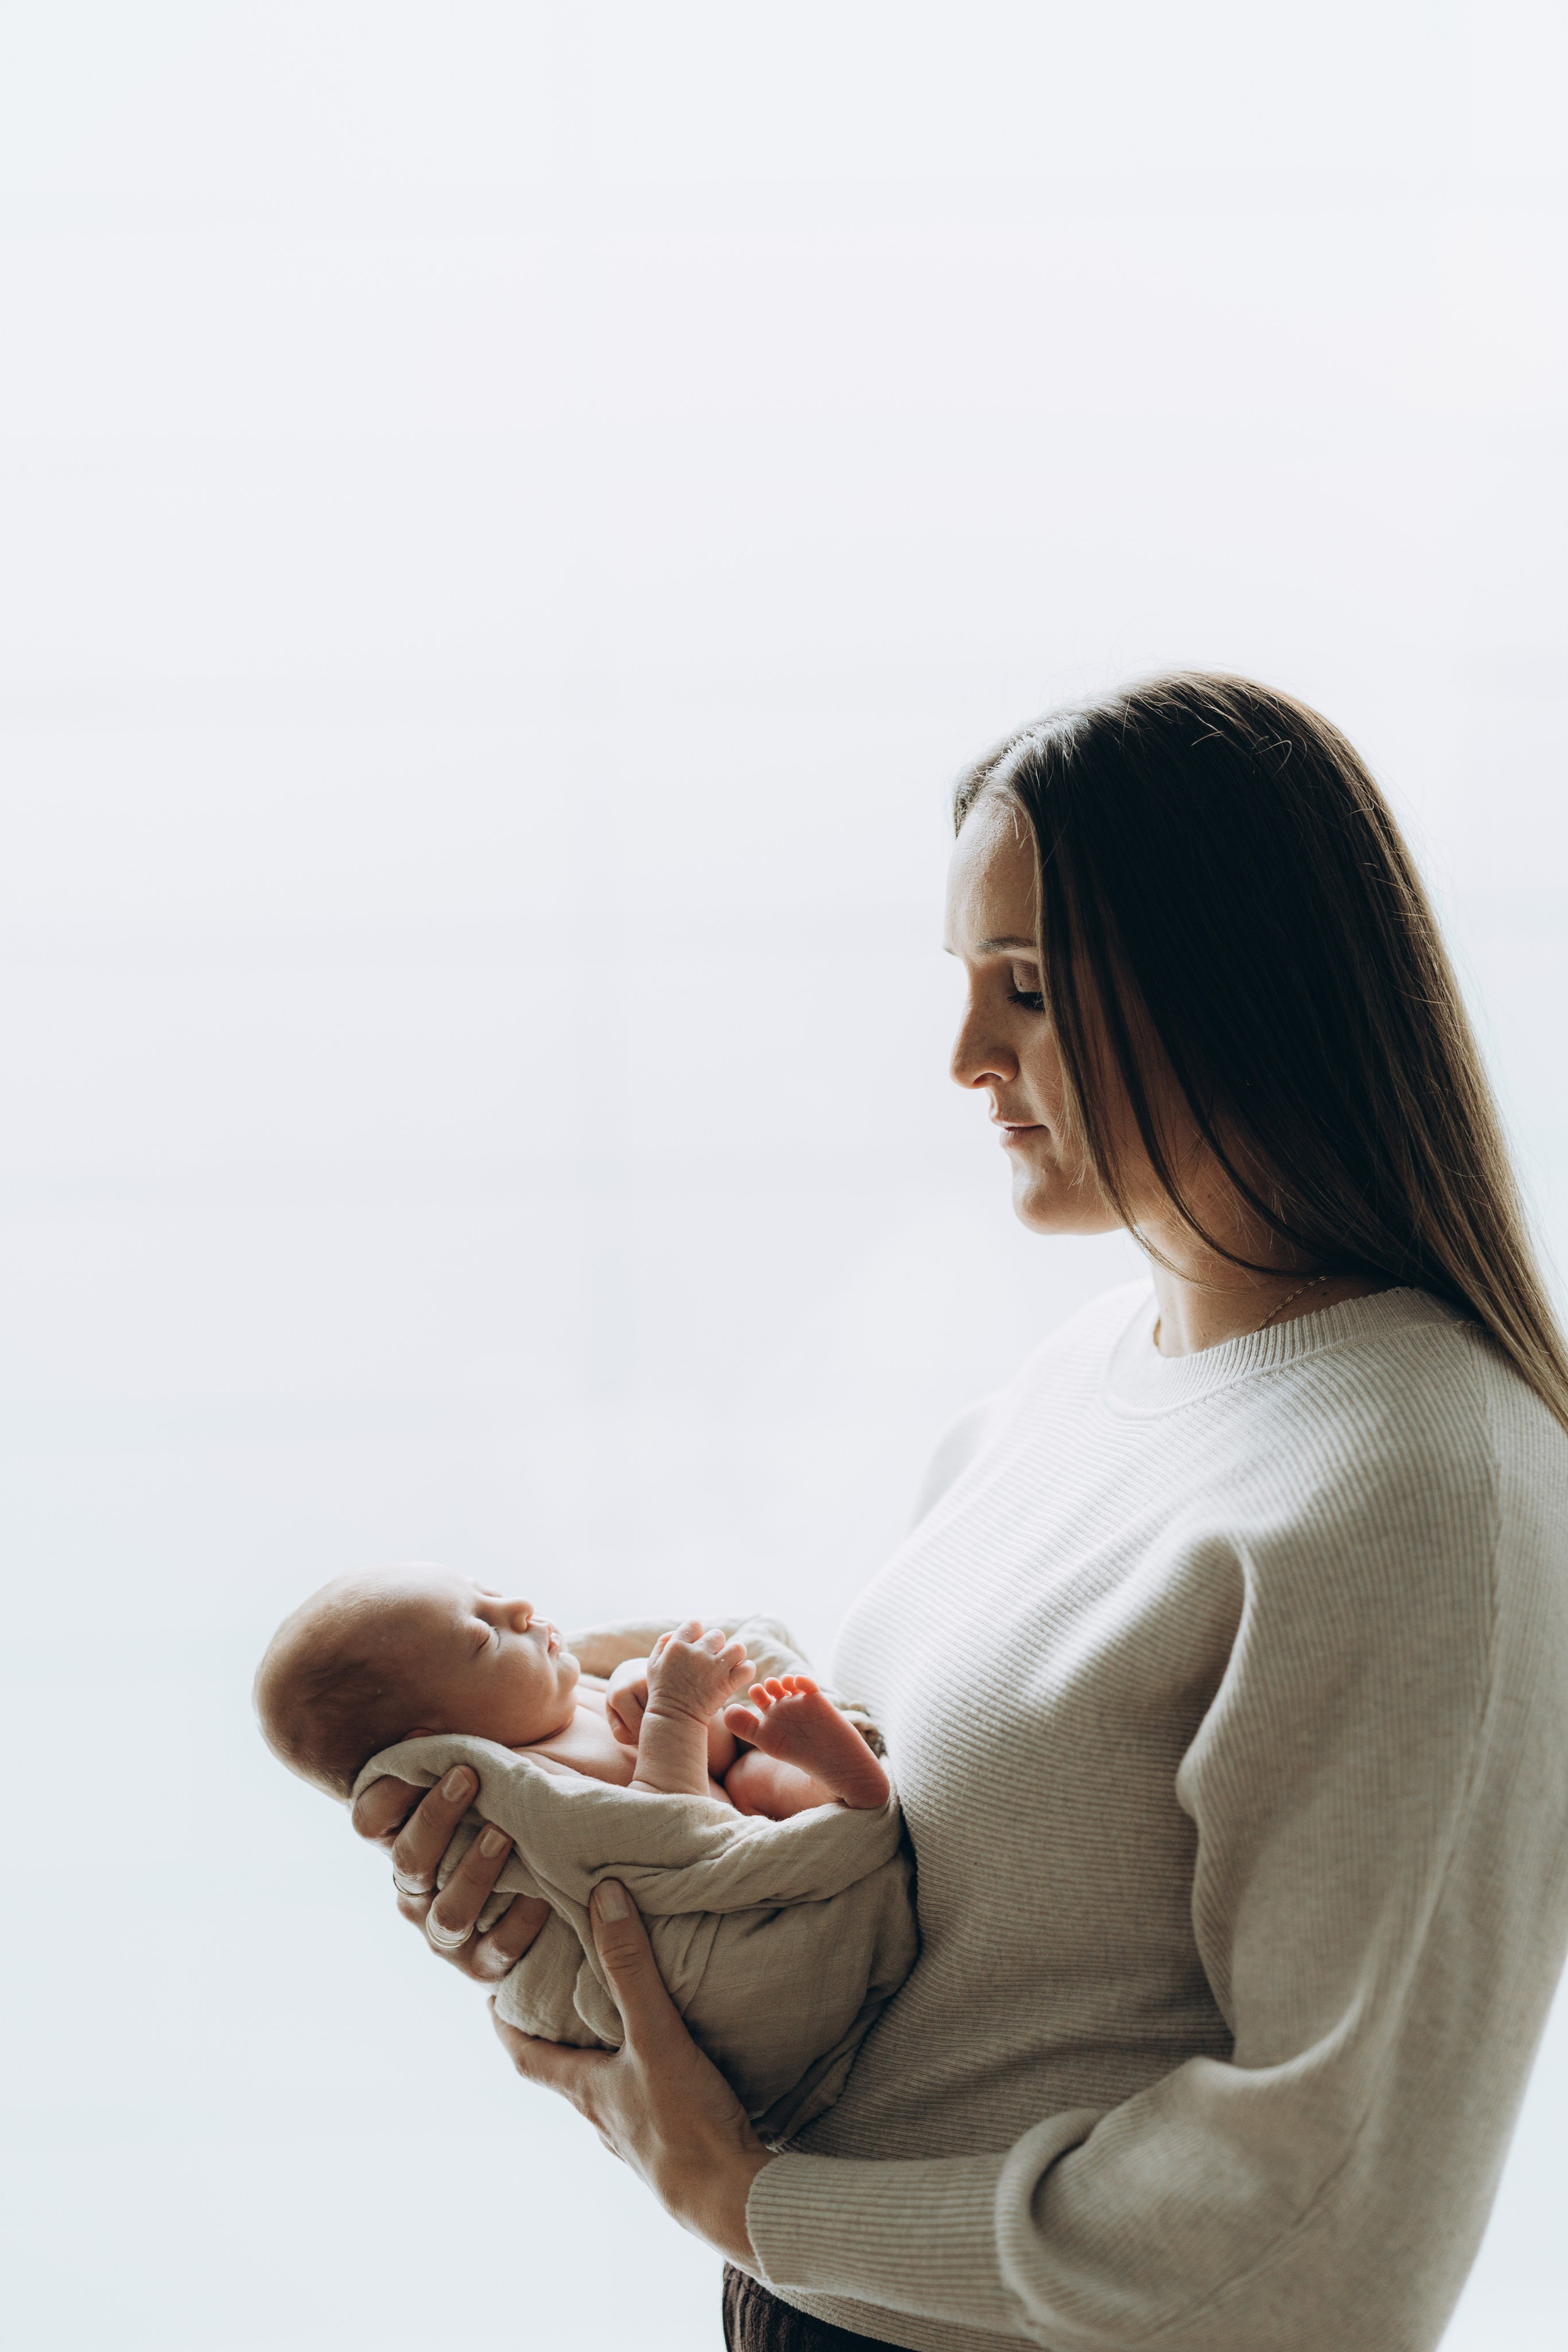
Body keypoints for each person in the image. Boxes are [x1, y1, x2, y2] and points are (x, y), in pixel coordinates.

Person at [353, 672, 1568, 2352]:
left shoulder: (1424, 1489)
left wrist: (765, 2204)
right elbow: (939, 1914)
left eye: (1028, 990)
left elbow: (1331, 2236)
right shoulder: (1078, 1381)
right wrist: (568, 1821)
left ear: (1240, 989)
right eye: (967, 984)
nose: (965, 1057)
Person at [255, 1563, 891, 1812]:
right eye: (483, 1637)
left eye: (492, 1596)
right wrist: (672, 1715)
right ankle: (853, 1790)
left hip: (732, 1795)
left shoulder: (558, 1698)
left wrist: (643, 1685)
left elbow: (709, 1761)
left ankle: (831, 1765)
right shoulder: (518, 1781)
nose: (521, 1610)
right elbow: (659, 1830)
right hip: (720, 1845)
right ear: (441, 1741)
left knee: (757, 1773)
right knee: (751, 1792)